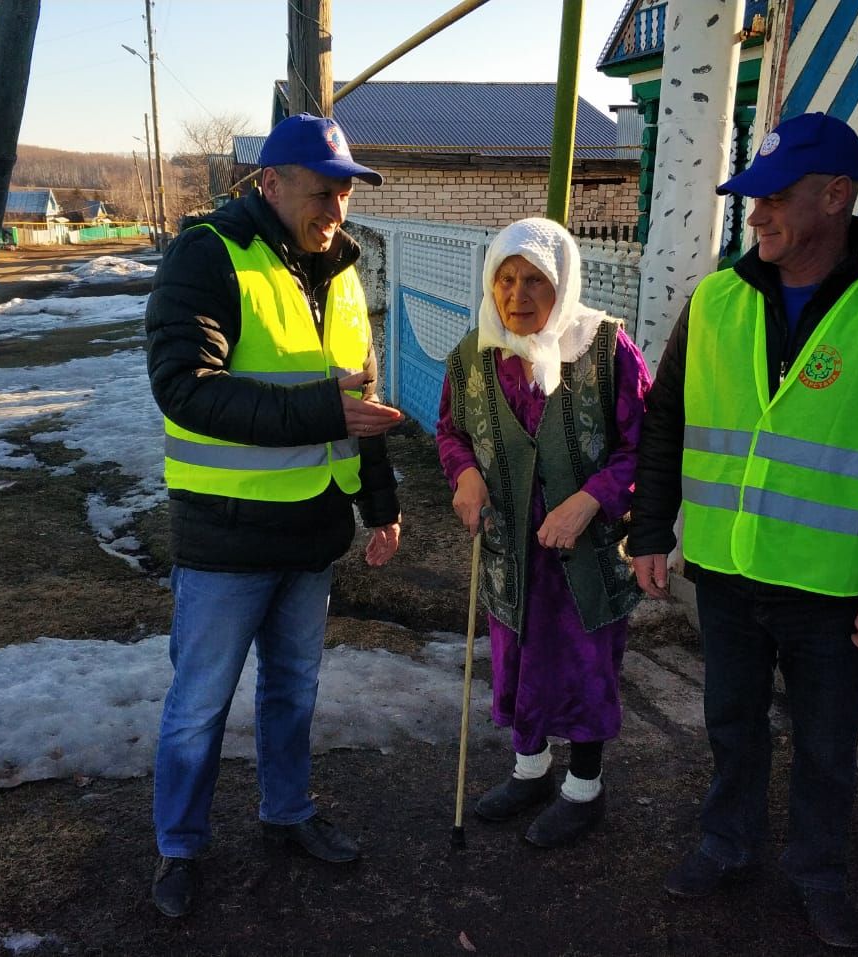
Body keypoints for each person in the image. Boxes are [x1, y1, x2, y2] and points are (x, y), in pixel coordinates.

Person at [628, 112, 858, 949]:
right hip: (726, 569)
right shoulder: (715, 300)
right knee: (731, 723)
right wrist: (648, 526)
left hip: (834, 590)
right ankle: (726, 842)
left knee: (826, 747)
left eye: (775, 198)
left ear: (836, 196)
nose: (757, 216)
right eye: (752, 199)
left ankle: (817, 872)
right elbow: (667, 419)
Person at [144, 112, 404, 918]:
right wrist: (321, 411)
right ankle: (179, 848)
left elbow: (359, 403)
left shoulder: (346, 273)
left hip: (311, 531)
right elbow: (184, 385)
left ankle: (288, 812)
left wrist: (381, 502)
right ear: (270, 183)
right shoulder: (209, 253)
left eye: (344, 195)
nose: (335, 210)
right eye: (321, 192)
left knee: (293, 691)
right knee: (200, 704)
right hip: (226, 535)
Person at [437, 217, 652, 848]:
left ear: (564, 283)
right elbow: (451, 431)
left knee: (586, 669)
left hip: (585, 557)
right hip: (512, 553)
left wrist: (590, 501)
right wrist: (465, 477)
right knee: (518, 660)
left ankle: (584, 791)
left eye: (536, 280)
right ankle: (530, 772)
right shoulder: (474, 355)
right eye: (505, 278)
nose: (517, 295)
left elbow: (645, 448)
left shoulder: (608, 352)